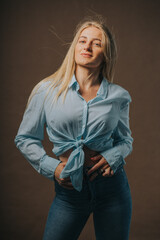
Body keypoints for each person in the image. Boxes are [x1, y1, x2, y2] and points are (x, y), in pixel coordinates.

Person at [14, 16, 133, 240]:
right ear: (74, 47)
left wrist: (113, 155)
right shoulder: (46, 90)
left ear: (106, 54)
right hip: (70, 194)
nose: (87, 46)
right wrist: (52, 168)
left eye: (96, 43)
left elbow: (125, 141)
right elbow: (25, 138)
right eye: (82, 40)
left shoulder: (119, 96)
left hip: (113, 190)